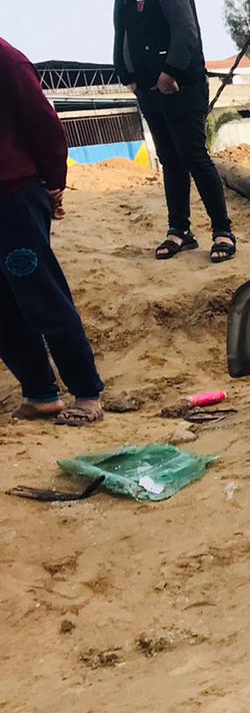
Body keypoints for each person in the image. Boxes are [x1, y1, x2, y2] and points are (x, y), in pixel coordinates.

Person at [93, 0, 236, 263]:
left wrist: (171, 71)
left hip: (180, 86)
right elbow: (122, 34)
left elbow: (185, 29)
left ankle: (223, 232)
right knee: (170, 160)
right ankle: (180, 231)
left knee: (194, 156)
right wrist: (124, 72)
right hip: (147, 89)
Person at [0, 36, 105, 426]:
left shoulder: (6, 61)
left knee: (40, 295)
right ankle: (40, 393)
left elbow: (44, 124)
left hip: (13, 198)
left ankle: (86, 392)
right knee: (4, 307)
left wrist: (53, 183)